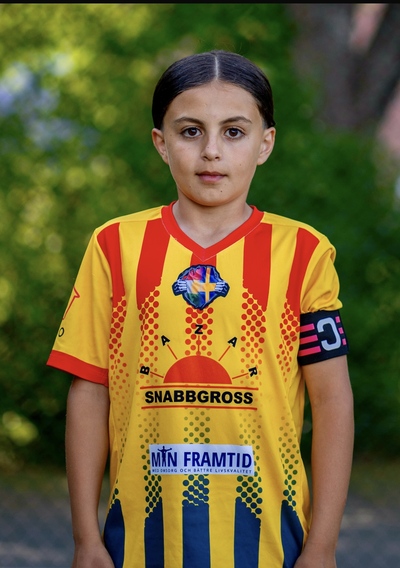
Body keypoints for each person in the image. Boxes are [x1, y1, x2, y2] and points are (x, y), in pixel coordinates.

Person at [47, 50, 354, 568]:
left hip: (271, 545)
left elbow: (332, 403)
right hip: (138, 543)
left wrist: (322, 547)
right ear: (161, 143)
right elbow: (90, 392)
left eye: (234, 132)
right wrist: (85, 539)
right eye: (191, 132)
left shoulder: (304, 252)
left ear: (265, 143)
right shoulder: (114, 245)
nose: (212, 151)